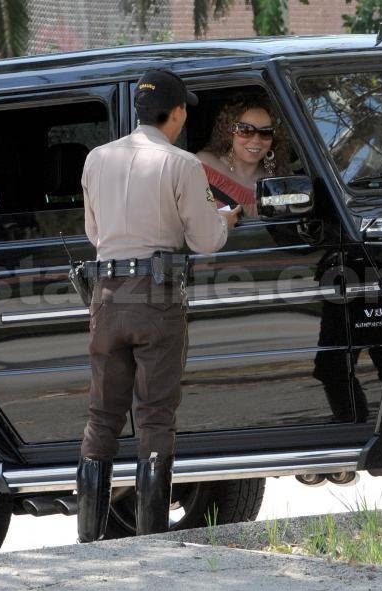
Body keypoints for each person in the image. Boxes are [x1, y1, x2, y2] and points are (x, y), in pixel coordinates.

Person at [77, 68, 240, 543]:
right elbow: (206, 239)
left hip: (107, 296)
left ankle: (88, 540)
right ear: (178, 113)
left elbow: (94, 234)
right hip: (156, 297)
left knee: (102, 416)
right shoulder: (182, 163)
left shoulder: (96, 158)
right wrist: (227, 218)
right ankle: (151, 542)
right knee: (154, 415)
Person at [197, 95, 291, 216]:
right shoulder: (202, 166)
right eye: (245, 130)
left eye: (266, 132)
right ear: (229, 132)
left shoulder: (281, 179)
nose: (256, 140)